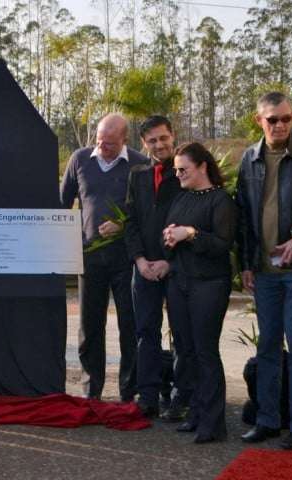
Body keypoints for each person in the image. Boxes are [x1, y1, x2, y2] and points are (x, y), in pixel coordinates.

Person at [235, 92, 292, 450]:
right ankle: (268, 420)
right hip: (263, 271)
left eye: (287, 118)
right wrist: (244, 263)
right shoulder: (249, 158)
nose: (281, 125)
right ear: (260, 121)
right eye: (273, 119)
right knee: (268, 346)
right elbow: (242, 215)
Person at [60, 113, 148, 401]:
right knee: (90, 328)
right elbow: (62, 204)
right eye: (99, 140)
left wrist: (123, 226)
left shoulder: (139, 163)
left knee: (129, 326)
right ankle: (91, 390)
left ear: (124, 139)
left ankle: (128, 392)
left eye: (110, 143)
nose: (103, 146)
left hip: (126, 259)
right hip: (89, 259)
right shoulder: (80, 159)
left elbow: (147, 213)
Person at [162, 142, 236, 444]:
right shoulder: (181, 198)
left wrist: (190, 234)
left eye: (184, 169)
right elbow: (171, 232)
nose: (178, 174)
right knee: (186, 350)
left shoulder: (221, 200)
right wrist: (169, 236)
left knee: (205, 352)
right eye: (176, 170)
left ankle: (213, 422)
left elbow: (223, 245)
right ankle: (195, 413)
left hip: (209, 284)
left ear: (203, 167)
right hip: (179, 282)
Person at [124, 115, 188, 419]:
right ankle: (147, 395)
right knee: (146, 331)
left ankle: (180, 397)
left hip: (176, 266)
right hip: (144, 267)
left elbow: (193, 220)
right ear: (143, 143)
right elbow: (131, 221)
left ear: (173, 136)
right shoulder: (137, 175)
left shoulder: (185, 173)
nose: (159, 145)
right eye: (152, 140)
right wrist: (140, 260)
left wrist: (168, 261)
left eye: (163, 138)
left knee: (181, 331)